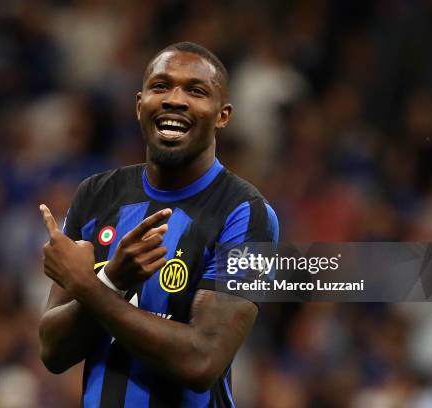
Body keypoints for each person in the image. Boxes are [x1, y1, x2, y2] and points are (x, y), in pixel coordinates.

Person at [39, 42, 279, 407]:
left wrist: (95, 287)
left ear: (222, 115)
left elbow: (202, 361)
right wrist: (113, 281)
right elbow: (53, 352)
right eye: (161, 86)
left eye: (196, 91)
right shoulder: (96, 195)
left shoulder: (246, 213)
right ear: (140, 105)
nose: (175, 99)